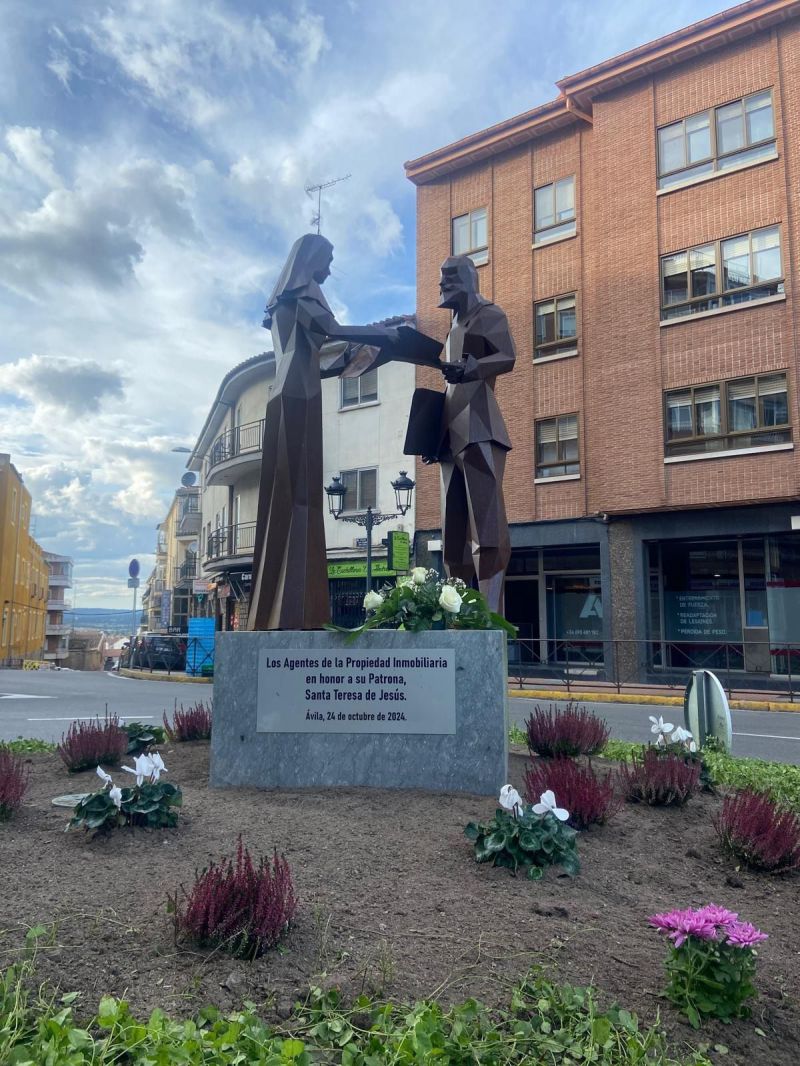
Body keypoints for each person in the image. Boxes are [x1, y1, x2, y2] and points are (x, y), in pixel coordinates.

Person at [248, 234, 405, 631]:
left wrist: (348, 363)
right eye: (328, 259)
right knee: (301, 501)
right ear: (312, 258)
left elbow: (311, 360)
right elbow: (330, 329)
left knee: (284, 503)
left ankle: (268, 614)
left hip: (287, 391)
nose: (330, 269)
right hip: (301, 394)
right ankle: (296, 617)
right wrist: (381, 335)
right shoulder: (304, 293)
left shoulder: (283, 302)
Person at [409, 256, 516, 612]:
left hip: (480, 429)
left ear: (467, 280)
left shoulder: (489, 314)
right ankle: (456, 611)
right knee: (452, 539)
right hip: (450, 439)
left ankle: (488, 615)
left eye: (448, 278)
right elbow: (452, 393)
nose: (440, 285)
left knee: (487, 530)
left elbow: (508, 356)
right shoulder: (453, 326)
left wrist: (473, 367)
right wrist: (434, 437)